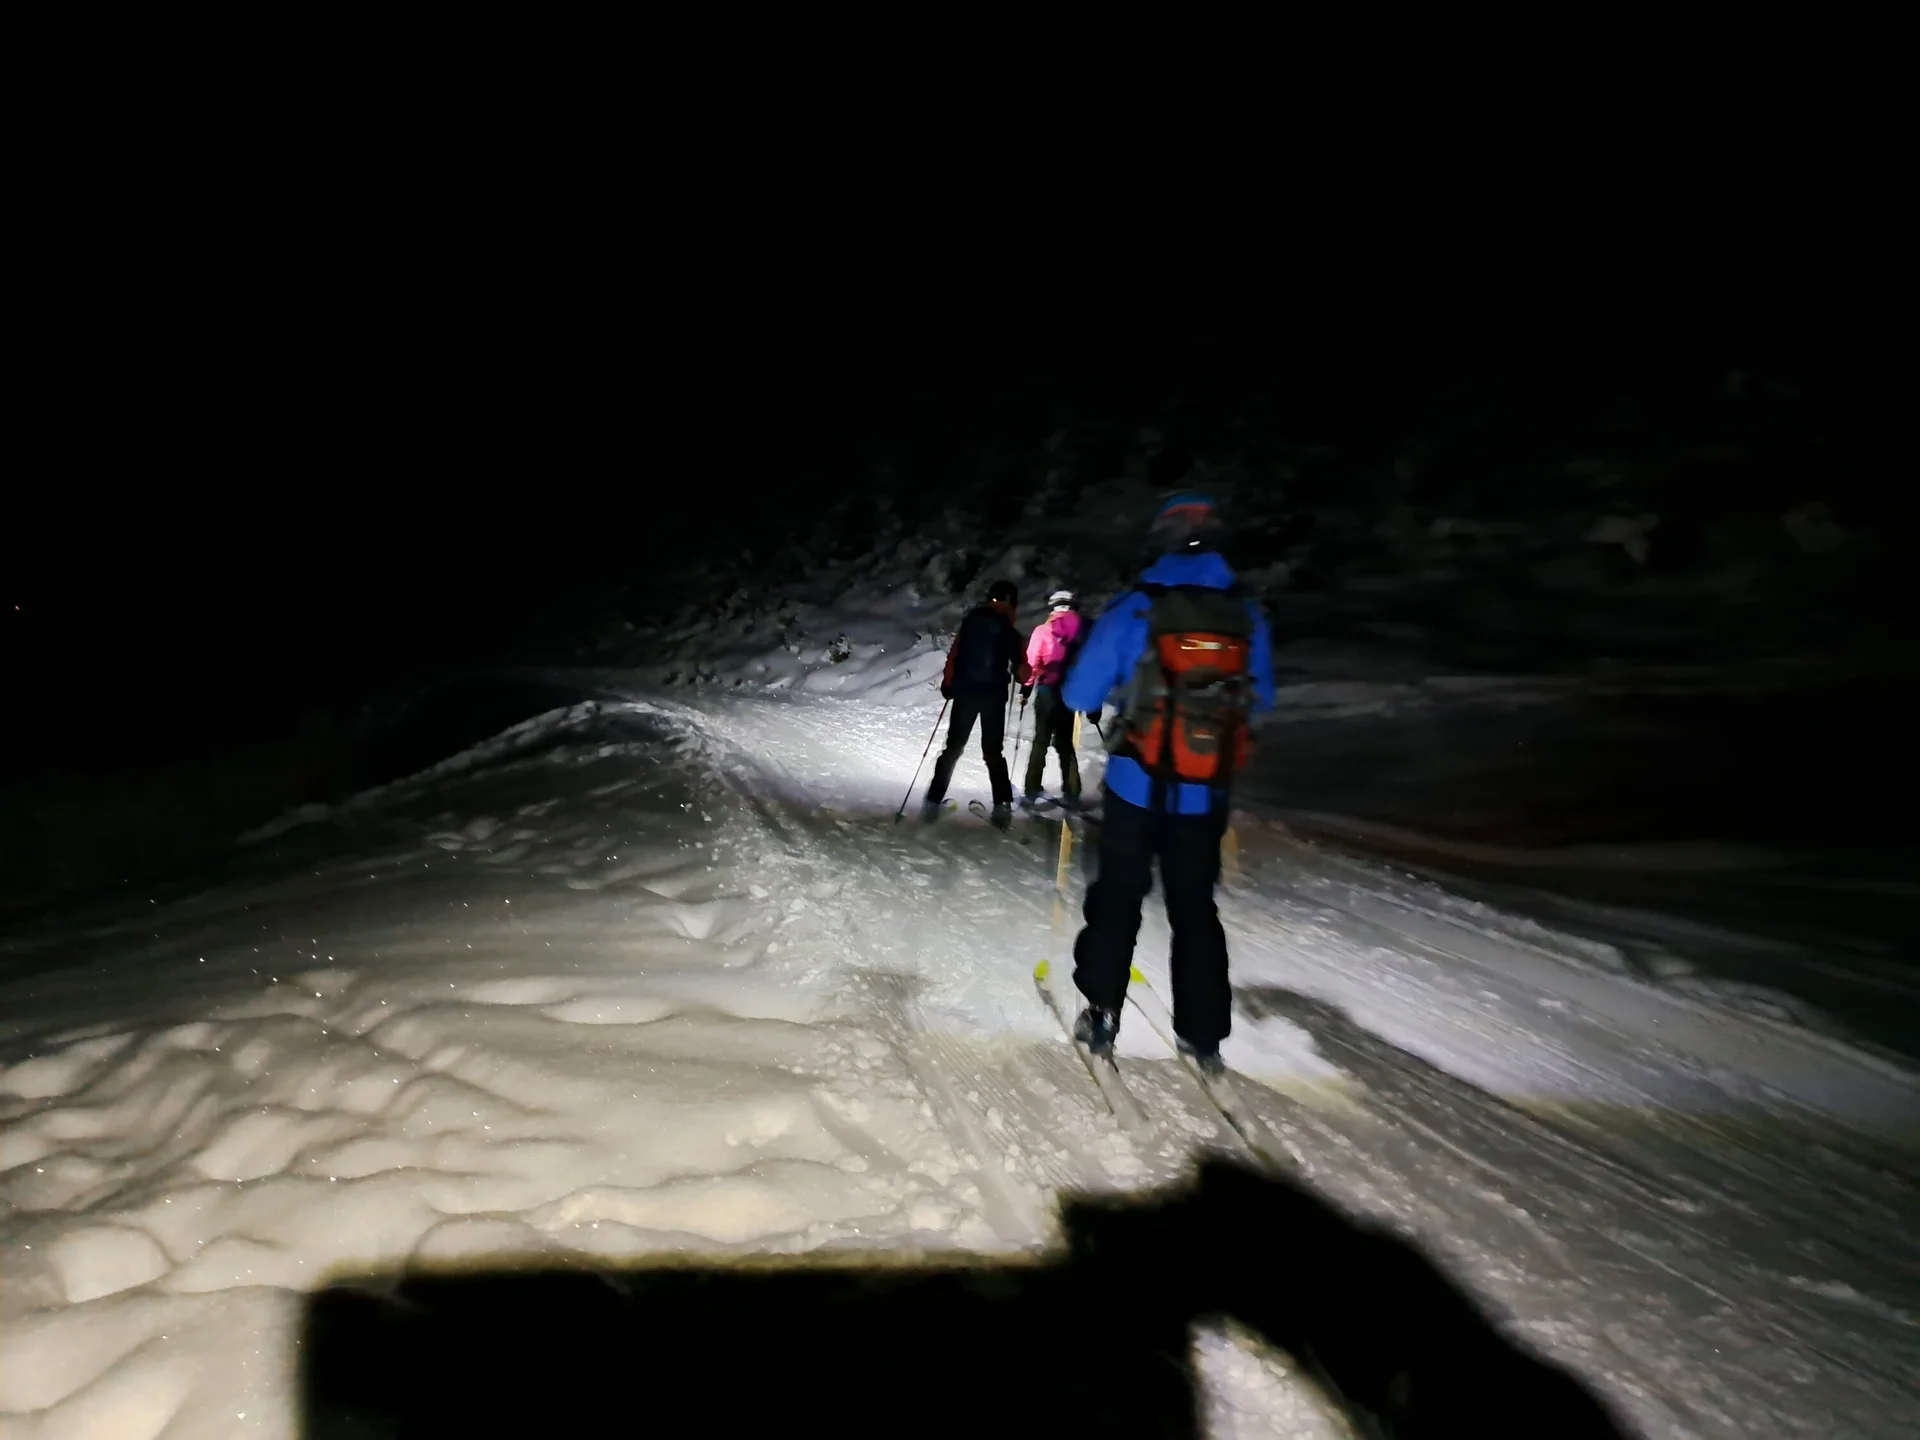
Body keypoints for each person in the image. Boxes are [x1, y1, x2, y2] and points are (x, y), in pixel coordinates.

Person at [1060, 494, 1275, 1073]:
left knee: (1119, 896)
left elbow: (1079, 693)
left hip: (1136, 782)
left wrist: (1133, 697)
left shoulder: (1136, 608)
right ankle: (1203, 1035)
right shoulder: (1245, 616)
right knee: (1194, 907)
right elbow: (1263, 699)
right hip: (1207, 793)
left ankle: (1102, 1011)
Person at [922, 579, 1032, 826]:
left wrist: (948, 683)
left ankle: (932, 800)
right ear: (1011, 603)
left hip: (965, 692)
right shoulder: (1009, 630)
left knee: (953, 747)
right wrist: (1023, 676)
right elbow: (1024, 672)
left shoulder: (971, 622)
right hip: (993, 696)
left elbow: (955, 653)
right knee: (993, 752)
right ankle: (1002, 805)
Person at [1020, 589, 1085, 806]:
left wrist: (1026, 689)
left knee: (1041, 739)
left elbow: (1031, 662)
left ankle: (1031, 789)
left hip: (1047, 689)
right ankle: (1073, 791)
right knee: (1065, 741)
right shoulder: (1082, 631)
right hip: (1070, 690)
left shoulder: (1042, 630)